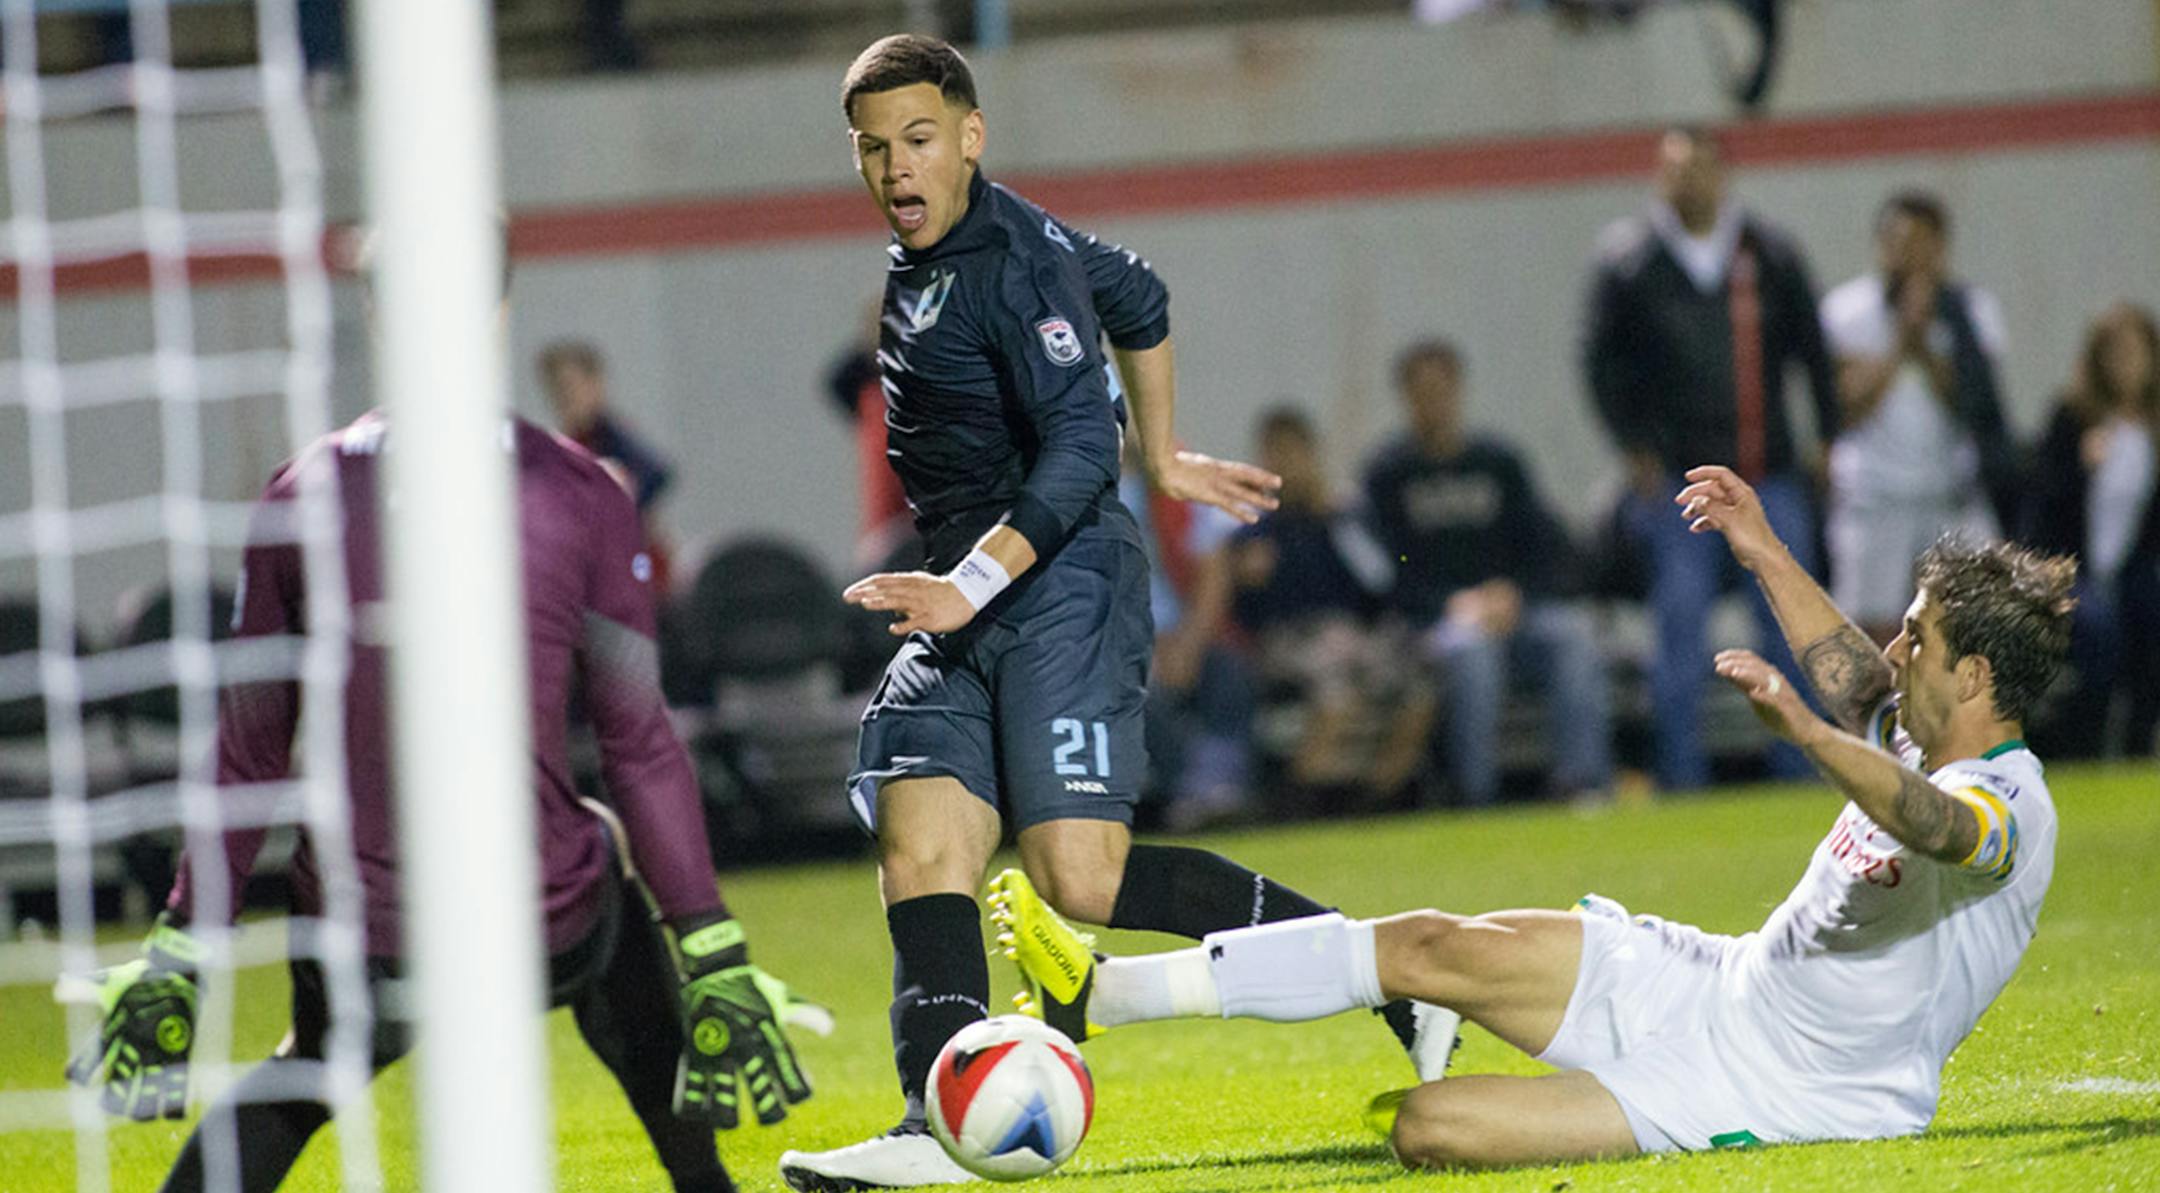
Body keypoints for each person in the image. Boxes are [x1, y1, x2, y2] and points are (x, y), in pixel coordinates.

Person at [778, 35, 1452, 1190]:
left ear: (971, 137)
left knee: (1080, 879)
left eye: (920, 139)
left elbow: (1084, 449)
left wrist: (1044, 530)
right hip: (963, 587)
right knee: (920, 837)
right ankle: (931, 1124)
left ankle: (1389, 974)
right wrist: (1171, 452)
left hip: (1059, 585)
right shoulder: (950, 252)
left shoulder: (1013, 265)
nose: (897, 168)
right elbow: (1138, 292)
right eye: (874, 148)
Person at [997, 463, 2072, 1169]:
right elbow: (1853, 676)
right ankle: (1103, 993)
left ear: (1976, 676)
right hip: (1714, 980)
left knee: (1428, 1128)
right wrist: (1759, 546)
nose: (1896, 648)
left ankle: (1558, 1088)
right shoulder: (1918, 729)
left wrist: (1802, 732)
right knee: (1427, 943)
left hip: (1787, 1084)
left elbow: (1937, 827)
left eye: (1919, 637)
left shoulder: (2006, 803)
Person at [67, 407, 819, 1193]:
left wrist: (182, 944)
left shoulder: (302, 488)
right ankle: (704, 1182)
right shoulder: (577, 486)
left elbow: (249, 747)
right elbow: (638, 740)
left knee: (311, 1063)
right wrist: (709, 943)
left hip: (365, 930)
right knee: (617, 920)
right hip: (539, 924)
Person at [1367, 340, 1608, 805]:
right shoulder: (1389, 476)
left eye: (1441, 389)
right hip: (1435, 624)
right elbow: (1387, 567)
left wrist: (1514, 594)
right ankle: (1476, 796)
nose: (1433, 402)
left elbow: (1544, 547)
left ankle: (1581, 784)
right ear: (1406, 397)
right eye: (1422, 392)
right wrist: (1450, 603)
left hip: (1511, 613)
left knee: (1574, 639)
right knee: (1474, 657)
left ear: (1458, 390)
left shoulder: (1499, 464)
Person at [1820, 190, 2013, 643]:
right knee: (1870, 633)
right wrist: (1899, 341)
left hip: (1950, 493)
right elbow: (1843, 407)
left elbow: (1976, 404)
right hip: (1873, 496)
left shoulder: (1972, 311)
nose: (1908, 257)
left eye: (1921, 244)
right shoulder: (1846, 312)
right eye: (1898, 243)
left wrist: (1925, 345)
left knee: (1983, 618)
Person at [1212, 405, 1433, 800]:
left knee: (1418, 689)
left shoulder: (1342, 518)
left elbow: (1381, 582)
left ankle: (1382, 796)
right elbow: (1243, 609)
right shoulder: (1252, 527)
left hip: (1352, 635)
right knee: (1336, 693)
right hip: (1288, 641)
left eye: (1292, 451)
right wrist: (1249, 576)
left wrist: (1338, 522)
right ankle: (1302, 799)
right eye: (1274, 452)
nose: (1284, 463)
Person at [2020, 302, 2160, 758]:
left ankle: (2139, 743)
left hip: (2132, 568)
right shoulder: (2073, 417)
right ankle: (2086, 744)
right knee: (2099, 631)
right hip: (2070, 566)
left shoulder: (2152, 429)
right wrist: (2081, 466)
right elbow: (2041, 506)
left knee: (2149, 618)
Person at [539, 339, 679, 593]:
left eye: (572, 387)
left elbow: (655, 473)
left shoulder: (611, 440)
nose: (566, 398)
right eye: (557, 389)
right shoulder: (566, 446)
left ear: (595, 384)